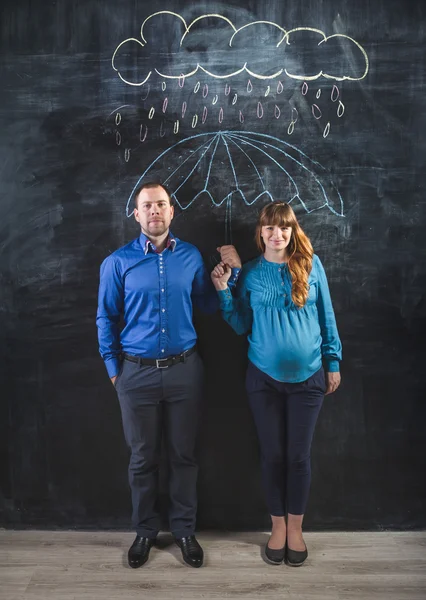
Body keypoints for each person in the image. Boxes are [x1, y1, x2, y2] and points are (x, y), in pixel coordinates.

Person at [96, 182, 240, 569]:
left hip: (185, 372)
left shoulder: (191, 257)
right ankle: (145, 531)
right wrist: (115, 372)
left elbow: (207, 307)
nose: (155, 211)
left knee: (184, 456)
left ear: (171, 212)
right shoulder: (117, 263)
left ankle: (184, 531)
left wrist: (228, 278)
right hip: (136, 376)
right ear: (137, 214)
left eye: (161, 204)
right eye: (147, 206)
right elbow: (105, 318)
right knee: (142, 458)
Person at [211, 202, 342, 567]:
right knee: (273, 455)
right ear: (261, 233)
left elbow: (327, 316)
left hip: (309, 378)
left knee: (298, 457)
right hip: (263, 380)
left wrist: (333, 362)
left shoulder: (311, 266)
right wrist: (223, 290)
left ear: (292, 230)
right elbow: (240, 324)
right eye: (269, 228)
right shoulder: (250, 273)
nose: (277, 234)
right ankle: (278, 526)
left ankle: (297, 529)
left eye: (283, 227)